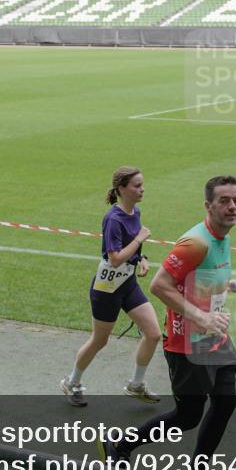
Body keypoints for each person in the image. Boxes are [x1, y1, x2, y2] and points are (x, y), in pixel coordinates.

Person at [101, 175, 236, 470]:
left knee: (226, 401)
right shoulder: (195, 242)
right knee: (188, 416)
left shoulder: (222, 238)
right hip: (186, 342)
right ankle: (119, 445)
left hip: (214, 336)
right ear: (208, 205)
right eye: (224, 201)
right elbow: (161, 285)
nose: (232, 207)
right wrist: (200, 318)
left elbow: (204, 280)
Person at [60, 166, 164, 407]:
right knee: (99, 340)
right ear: (122, 189)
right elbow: (115, 257)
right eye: (137, 185)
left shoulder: (135, 212)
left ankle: (135, 385)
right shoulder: (113, 219)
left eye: (142, 184)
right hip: (107, 288)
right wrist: (140, 239)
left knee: (154, 333)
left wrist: (142, 258)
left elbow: (131, 250)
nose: (142, 189)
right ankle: (71, 382)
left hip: (127, 284)